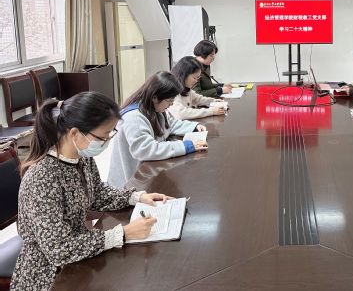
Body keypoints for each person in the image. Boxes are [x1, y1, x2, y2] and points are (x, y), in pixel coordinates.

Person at [10, 92, 171, 290]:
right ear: (75, 133)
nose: (106, 141)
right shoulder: (42, 177)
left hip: (80, 255)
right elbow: (58, 249)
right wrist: (122, 233)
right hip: (49, 273)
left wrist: (136, 197)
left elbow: (97, 194)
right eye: (102, 136)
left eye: (110, 134)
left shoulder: (82, 157)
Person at [108, 72, 207, 188]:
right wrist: (185, 146)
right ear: (155, 97)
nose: (171, 104)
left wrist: (193, 127)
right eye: (169, 100)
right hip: (128, 185)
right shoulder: (134, 117)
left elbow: (170, 124)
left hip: (145, 174)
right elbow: (146, 149)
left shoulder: (153, 108)